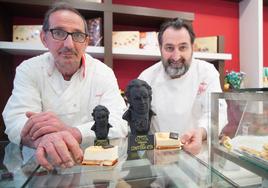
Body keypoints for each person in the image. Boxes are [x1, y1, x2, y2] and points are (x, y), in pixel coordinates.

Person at [2, 2, 127, 170]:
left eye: (77, 35)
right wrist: (46, 140)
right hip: (40, 166)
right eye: (59, 33)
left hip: (92, 167)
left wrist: (71, 131)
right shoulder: (29, 69)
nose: (69, 44)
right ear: (44, 38)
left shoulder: (103, 73)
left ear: (86, 42)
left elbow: (119, 122)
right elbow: (15, 120)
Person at [138, 18, 227, 154]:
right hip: (158, 156)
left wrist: (201, 132)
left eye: (183, 47)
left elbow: (217, 113)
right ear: (160, 48)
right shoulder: (146, 77)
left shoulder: (206, 72)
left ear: (192, 48)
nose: (176, 56)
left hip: (196, 156)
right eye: (169, 48)